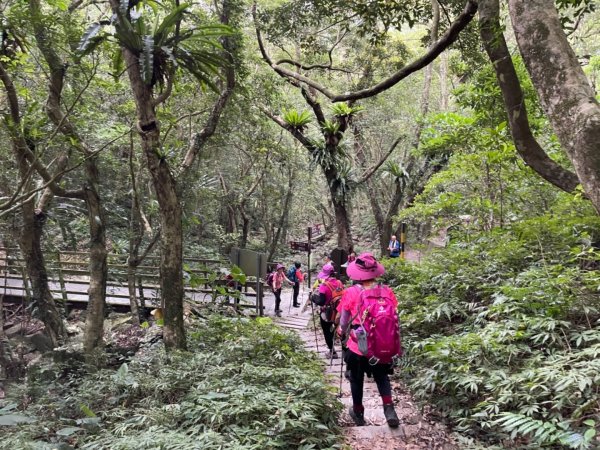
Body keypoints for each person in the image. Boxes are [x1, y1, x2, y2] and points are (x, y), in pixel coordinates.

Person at [337, 252, 401, 428]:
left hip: (358, 346)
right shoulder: (387, 292)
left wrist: (341, 331)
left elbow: (343, 322)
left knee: (356, 379)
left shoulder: (350, 292)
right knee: (382, 377)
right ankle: (389, 410)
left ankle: (358, 412)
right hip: (381, 346)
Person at [310, 264, 344, 359]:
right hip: (339, 312)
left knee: (327, 331)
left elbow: (321, 302)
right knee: (340, 331)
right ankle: (345, 351)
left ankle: (332, 352)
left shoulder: (324, 286)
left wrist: (312, 298)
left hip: (327, 313)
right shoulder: (339, 283)